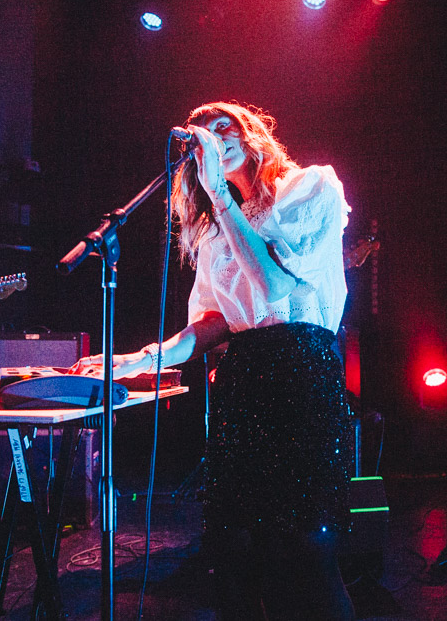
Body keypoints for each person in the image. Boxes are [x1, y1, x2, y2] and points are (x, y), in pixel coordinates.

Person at [74, 102, 355, 619]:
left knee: (303, 549)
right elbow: (212, 323)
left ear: (251, 135)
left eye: (223, 125)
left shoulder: (310, 187)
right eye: (202, 131)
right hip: (244, 379)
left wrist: (221, 199)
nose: (211, 135)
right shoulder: (212, 231)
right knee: (235, 550)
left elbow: (273, 287)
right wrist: (138, 359)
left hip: (301, 371)